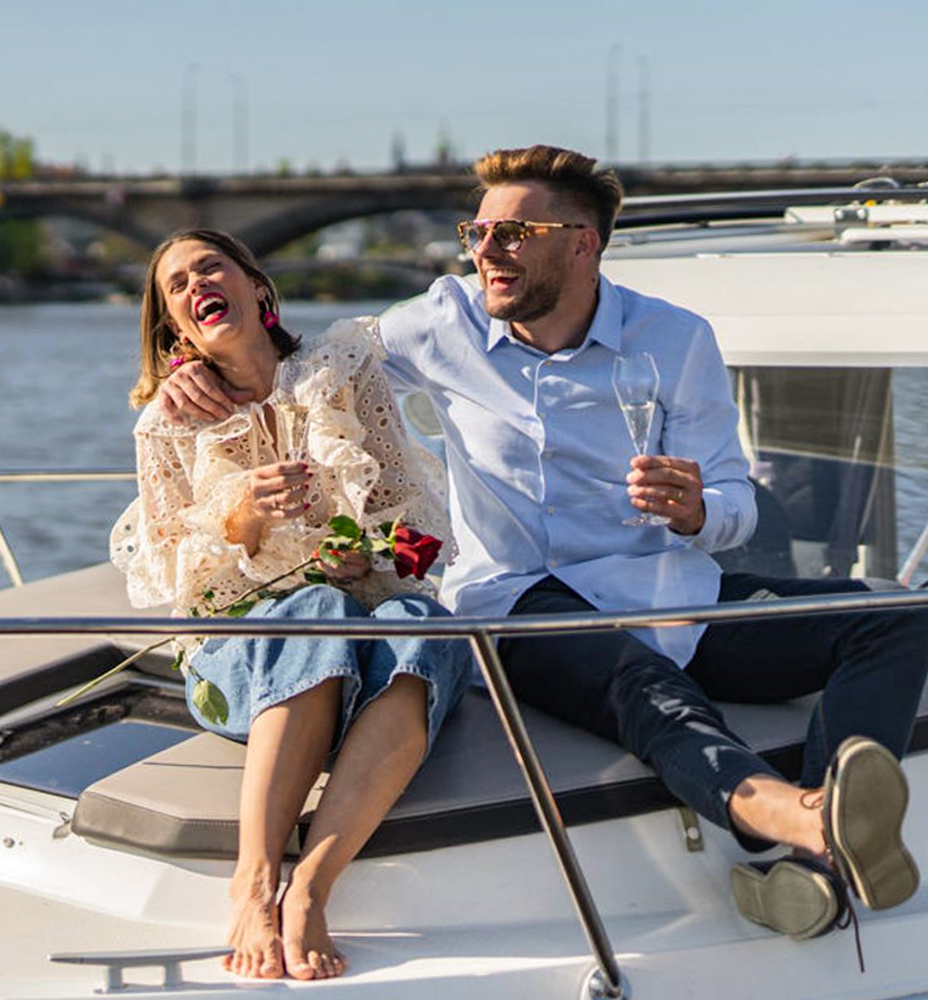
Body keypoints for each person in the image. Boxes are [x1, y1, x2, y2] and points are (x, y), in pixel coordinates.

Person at [156, 147, 927, 944]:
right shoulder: (440, 322)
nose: (486, 251)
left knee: (897, 618)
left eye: (514, 233)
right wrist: (191, 366)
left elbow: (735, 507)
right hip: (518, 601)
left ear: (583, 243)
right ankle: (798, 816)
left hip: (673, 593)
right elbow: (307, 368)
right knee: (645, 690)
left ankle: (820, 858)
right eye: (478, 232)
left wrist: (698, 512)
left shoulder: (675, 339)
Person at [111, 229, 470, 980]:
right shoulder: (168, 424)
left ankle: (310, 887)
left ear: (258, 287)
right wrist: (244, 516)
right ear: (176, 327)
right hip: (236, 652)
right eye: (176, 285)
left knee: (427, 624)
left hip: (359, 610)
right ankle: (252, 879)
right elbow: (176, 577)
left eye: (209, 267)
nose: (195, 284)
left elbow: (414, 519)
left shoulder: (342, 372)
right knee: (316, 614)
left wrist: (366, 558)